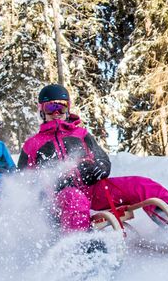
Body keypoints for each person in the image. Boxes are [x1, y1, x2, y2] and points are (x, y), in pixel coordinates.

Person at [18, 84, 111, 237]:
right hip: (57, 201)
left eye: (61, 107)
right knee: (74, 198)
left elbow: (100, 156)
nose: (56, 113)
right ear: (41, 110)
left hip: (91, 190)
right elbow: (23, 181)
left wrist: (101, 166)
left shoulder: (81, 134)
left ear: (68, 108)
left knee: (139, 185)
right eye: (50, 107)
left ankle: (157, 222)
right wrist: (48, 186)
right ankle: (81, 243)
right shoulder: (32, 144)